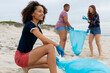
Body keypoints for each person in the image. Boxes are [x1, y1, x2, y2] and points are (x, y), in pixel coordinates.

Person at [14, 1, 64, 73]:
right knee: (50, 47)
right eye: (39, 11)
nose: (42, 14)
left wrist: (52, 56)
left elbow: (45, 43)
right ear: (32, 13)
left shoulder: (38, 29)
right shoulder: (29, 24)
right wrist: (57, 45)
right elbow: (44, 40)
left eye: (43, 12)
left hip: (28, 56)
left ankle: (27, 67)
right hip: (20, 57)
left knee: (51, 61)